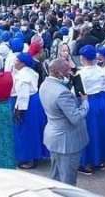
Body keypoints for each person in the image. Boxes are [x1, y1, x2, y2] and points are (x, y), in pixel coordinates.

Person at [39, 58, 89, 186]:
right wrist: (85, 102)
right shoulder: (62, 93)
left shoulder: (44, 84)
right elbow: (76, 118)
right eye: (67, 71)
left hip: (54, 137)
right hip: (67, 141)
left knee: (55, 175)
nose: (70, 73)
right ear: (59, 73)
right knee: (68, 180)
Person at [78, 45, 105, 174]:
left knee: (88, 131)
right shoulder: (101, 70)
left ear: (83, 58)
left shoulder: (82, 73)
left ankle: (87, 162)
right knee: (101, 129)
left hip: (88, 101)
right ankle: (100, 159)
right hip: (100, 100)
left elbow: (77, 92)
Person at [12, 52, 47, 169]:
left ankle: (29, 159)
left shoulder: (22, 77)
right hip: (35, 102)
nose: (14, 62)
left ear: (22, 63)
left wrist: (19, 110)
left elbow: (23, 96)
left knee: (26, 131)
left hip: (27, 104)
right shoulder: (30, 72)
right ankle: (38, 154)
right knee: (36, 129)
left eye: (16, 60)